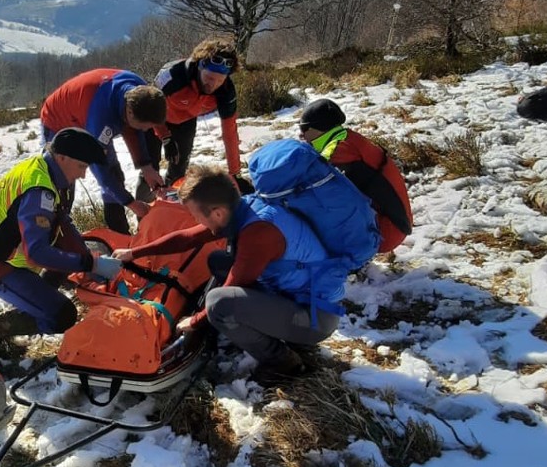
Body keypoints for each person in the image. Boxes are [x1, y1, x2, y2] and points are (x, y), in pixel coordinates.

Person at [115, 165, 343, 383]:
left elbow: (231, 287)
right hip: (298, 298)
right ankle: (271, 330)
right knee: (217, 261)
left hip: (314, 320)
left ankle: (283, 363)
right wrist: (134, 253)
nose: (196, 221)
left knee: (219, 304)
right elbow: (188, 238)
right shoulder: (245, 207)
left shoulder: (258, 232)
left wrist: (193, 322)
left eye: (196, 216)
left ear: (217, 212)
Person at [0, 128, 121, 334]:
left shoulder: (46, 168)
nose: (83, 175)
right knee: (63, 315)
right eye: (81, 166)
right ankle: (1, 328)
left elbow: (62, 221)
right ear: (62, 158)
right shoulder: (39, 191)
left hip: (5, 249)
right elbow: (37, 253)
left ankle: (37, 300)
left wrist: (86, 258)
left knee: (68, 260)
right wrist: (91, 263)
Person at [40, 68, 167, 234]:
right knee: (61, 182)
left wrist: (146, 167)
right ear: (128, 112)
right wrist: (131, 203)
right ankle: (53, 232)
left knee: (116, 174)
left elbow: (135, 132)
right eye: (144, 126)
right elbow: (101, 171)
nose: (145, 130)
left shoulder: (141, 93)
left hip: (90, 109)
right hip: (58, 121)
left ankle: (120, 232)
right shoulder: (102, 119)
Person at [298, 98, 412, 253]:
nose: (301, 135)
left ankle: (344, 260)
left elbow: (313, 188)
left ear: (320, 128)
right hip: (396, 222)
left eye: (304, 128)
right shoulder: (347, 137)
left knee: (307, 212)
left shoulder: (338, 150)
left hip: (385, 232)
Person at [144, 38, 241, 188]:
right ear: (199, 67)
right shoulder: (173, 76)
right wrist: (165, 136)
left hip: (186, 121)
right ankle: (144, 208)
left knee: (178, 171)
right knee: (149, 170)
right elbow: (151, 106)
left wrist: (235, 173)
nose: (213, 85)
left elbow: (230, 133)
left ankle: (171, 206)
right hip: (155, 119)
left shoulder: (226, 91)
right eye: (209, 78)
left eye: (220, 80)